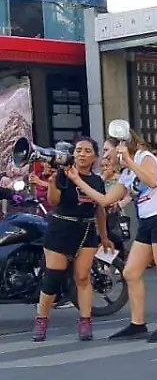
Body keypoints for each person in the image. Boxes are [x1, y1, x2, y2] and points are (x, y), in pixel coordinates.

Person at [68, 130, 157, 343]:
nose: (105, 155)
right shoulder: (127, 174)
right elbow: (105, 199)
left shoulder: (143, 158)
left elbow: (153, 181)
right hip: (147, 221)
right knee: (130, 272)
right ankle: (138, 324)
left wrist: (129, 161)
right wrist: (77, 180)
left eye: (108, 149)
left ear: (121, 147)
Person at [29, 137, 111, 342]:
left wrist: (104, 236)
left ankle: (85, 321)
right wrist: (53, 183)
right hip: (60, 228)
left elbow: (99, 209)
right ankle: (41, 319)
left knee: (83, 277)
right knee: (53, 277)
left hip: (86, 231)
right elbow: (53, 201)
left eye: (87, 151)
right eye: (79, 150)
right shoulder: (63, 174)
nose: (82, 154)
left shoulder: (97, 181)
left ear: (95, 157)